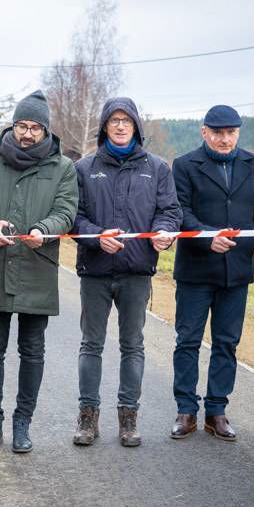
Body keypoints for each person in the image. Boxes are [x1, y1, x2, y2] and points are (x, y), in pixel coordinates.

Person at [0, 91, 78, 453]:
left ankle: (22, 422)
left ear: (46, 131)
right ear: (12, 126)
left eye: (35, 127)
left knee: (32, 350)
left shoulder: (62, 168)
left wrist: (44, 230)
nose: (27, 134)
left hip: (37, 266)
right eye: (21, 125)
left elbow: (67, 211)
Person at [71, 97, 182, 447]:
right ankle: (88, 419)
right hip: (96, 270)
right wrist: (95, 238)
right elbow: (74, 217)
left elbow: (171, 212)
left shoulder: (158, 168)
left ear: (136, 126)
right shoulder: (84, 168)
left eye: (127, 120)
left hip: (137, 271)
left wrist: (165, 232)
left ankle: (128, 419)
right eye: (114, 120)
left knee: (133, 345)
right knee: (91, 344)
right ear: (104, 126)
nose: (120, 126)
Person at [170, 105, 254, 441]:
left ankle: (216, 411)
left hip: (236, 272)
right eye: (218, 132)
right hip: (196, 269)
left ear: (238, 132)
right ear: (204, 132)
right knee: (188, 342)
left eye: (231, 133)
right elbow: (179, 211)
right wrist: (208, 237)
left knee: (227, 343)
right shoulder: (184, 165)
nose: (224, 139)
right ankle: (186, 410)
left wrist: (234, 246)